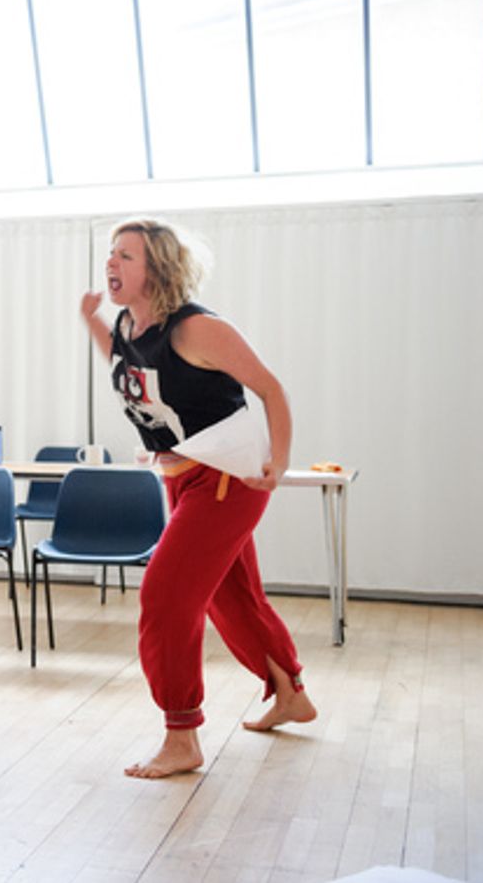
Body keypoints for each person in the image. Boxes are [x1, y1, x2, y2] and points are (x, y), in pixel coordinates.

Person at [80, 218, 316, 780]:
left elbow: (271, 389)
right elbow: (125, 362)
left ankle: (181, 735)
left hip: (226, 479)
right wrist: (92, 320)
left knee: (166, 596)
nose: (111, 262)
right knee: (233, 598)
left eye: (126, 256)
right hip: (183, 479)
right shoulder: (129, 324)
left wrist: (279, 461)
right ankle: (290, 693)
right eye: (111, 253)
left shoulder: (197, 329)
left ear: (157, 268)